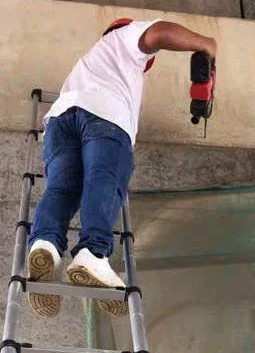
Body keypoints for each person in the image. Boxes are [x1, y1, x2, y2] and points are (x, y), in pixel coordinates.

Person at [27, 18, 217, 317]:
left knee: (62, 189)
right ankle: (93, 252)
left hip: (60, 122)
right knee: (102, 179)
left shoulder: (90, 64)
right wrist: (206, 44)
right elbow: (159, 32)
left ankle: (45, 244)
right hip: (103, 116)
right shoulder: (124, 38)